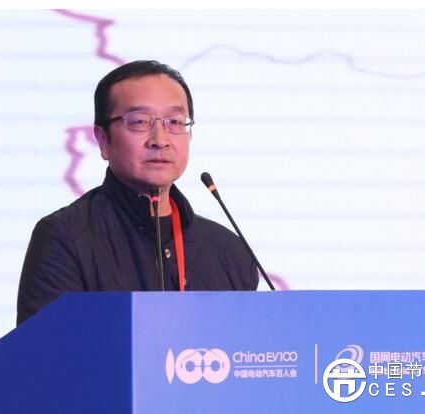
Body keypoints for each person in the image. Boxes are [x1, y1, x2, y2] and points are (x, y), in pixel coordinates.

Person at [16, 60, 258, 325]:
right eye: (139, 121)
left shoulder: (230, 252)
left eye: (175, 121)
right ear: (103, 139)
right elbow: (47, 349)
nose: (160, 140)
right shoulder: (65, 239)